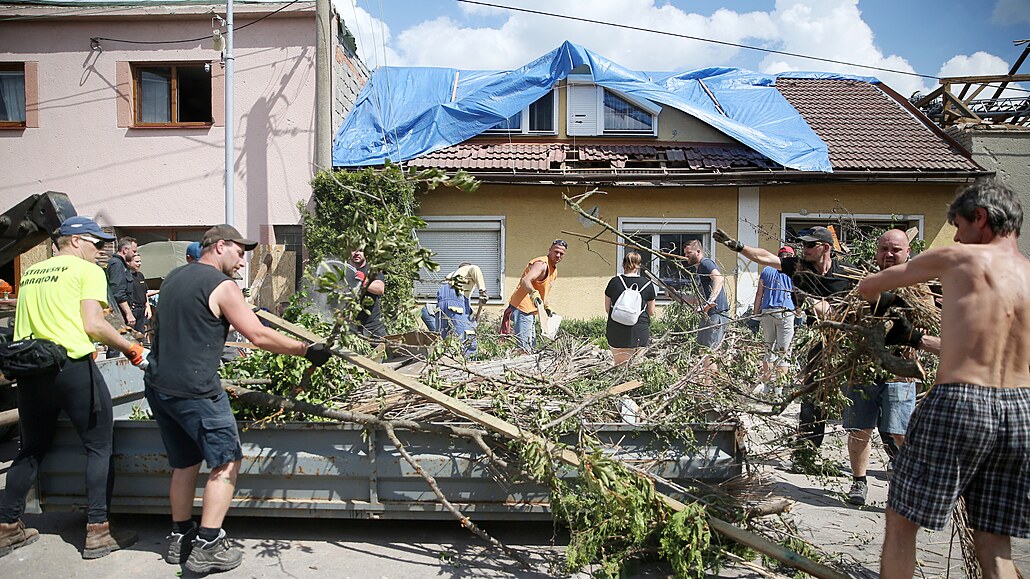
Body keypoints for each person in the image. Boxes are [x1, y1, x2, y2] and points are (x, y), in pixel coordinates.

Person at [858, 178, 1029, 578]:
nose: (955, 235)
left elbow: (869, 286)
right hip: (1021, 410)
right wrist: (919, 337)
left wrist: (885, 298)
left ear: (981, 219)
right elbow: (980, 345)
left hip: (962, 401)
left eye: (958, 225)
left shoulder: (959, 258)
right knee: (995, 541)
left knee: (901, 523)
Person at [144, 224, 331, 573]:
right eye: (239, 252)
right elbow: (258, 336)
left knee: (185, 463)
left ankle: (181, 536)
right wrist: (307, 350)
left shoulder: (171, 279)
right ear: (219, 247)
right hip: (196, 390)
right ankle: (209, 544)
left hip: (160, 386)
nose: (243, 260)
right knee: (226, 461)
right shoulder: (221, 285)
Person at [0, 216, 145, 560]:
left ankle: (7, 527)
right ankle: (98, 532)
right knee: (98, 446)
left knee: (31, 448)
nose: (99, 252)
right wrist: (132, 350)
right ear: (76, 241)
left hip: (33, 370)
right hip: (72, 367)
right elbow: (92, 323)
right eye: (96, 244)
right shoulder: (87, 272)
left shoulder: (33, 272)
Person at [713, 225, 860, 450]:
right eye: (803, 244)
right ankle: (806, 449)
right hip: (819, 341)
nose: (805, 248)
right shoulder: (799, 267)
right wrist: (739, 247)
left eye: (811, 245)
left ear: (826, 248)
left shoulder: (847, 273)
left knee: (858, 396)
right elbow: (766, 258)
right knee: (812, 394)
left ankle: (888, 450)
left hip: (849, 343)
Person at [843, 229, 941, 506]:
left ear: (907, 252)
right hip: (862, 368)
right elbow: (850, 317)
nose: (888, 254)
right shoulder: (862, 282)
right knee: (860, 429)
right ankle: (859, 482)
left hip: (901, 371)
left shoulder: (918, 285)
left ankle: (906, 483)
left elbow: (924, 322)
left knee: (900, 430)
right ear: (877, 252)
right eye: (884, 249)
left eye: (895, 249)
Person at [502, 240, 567, 352]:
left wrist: (547, 307)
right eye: (556, 251)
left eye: (561, 254)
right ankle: (518, 369)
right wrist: (533, 292)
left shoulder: (554, 270)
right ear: (549, 250)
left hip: (530, 310)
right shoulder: (541, 264)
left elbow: (543, 292)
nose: (558, 255)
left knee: (531, 346)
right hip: (522, 308)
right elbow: (525, 280)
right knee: (524, 348)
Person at [753, 245, 797, 389]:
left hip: (767, 312)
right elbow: (797, 293)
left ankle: (767, 387)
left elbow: (759, 294)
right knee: (783, 351)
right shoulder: (792, 271)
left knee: (769, 349)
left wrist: (755, 314)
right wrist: (799, 311)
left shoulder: (766, 270)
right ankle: (778, 391)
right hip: (785, 311)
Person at [604, 251, 657, 366]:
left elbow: (608, 309)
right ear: (639, 265)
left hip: (616, 330)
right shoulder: (647, 284)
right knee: (635, 366)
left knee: (619, 365)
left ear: (623, 265)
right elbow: (651, 312)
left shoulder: (614, 282)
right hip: (639, 330)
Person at [681, 239, 729, 349]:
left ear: (698, 252)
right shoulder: (698, 270)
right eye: (685, 253)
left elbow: (719, 279)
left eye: (689, 253)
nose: (686, 256)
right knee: (702, 350)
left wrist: (709, 302)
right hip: (708, 315)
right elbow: (698, 299)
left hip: (717, 314)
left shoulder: (706, 263)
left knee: (710, 352)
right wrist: (675, 295)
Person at [434, 263, 488, 356]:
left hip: (440, 305)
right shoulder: (469, 269)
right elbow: (475, 268)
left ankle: (442, 359)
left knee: (442, 338)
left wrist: (472, 320)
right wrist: (482, 292)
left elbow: (466, 308)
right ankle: (470, 361)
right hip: (455, 303)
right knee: (468, 338)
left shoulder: (450, 277)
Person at [346, 248, 386, 341]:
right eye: (353, 250)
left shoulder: (372, 270)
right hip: (351, 325)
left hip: (373, 325)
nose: (356, 253)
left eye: (360, 251)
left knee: (381, 352)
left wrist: (364, 282)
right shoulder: (346, 271)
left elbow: (380, 289)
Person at [106, 236, 138, 330]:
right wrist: (129, 313)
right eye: (134, 251)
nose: (135, 254)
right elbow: (118, 292)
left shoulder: (122, 265)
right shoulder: (117, 264)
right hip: (119, 313)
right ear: (125, 250)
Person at [127, 254, 149, 337]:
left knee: (141, 335)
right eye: (136, 261)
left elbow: (145, 293)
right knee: (131, 335)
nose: (139, 263)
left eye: (140, 261)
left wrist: (148, 308)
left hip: (142, 309)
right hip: (133, 309)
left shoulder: (140, 275)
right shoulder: (127, 276)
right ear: (129, 262)